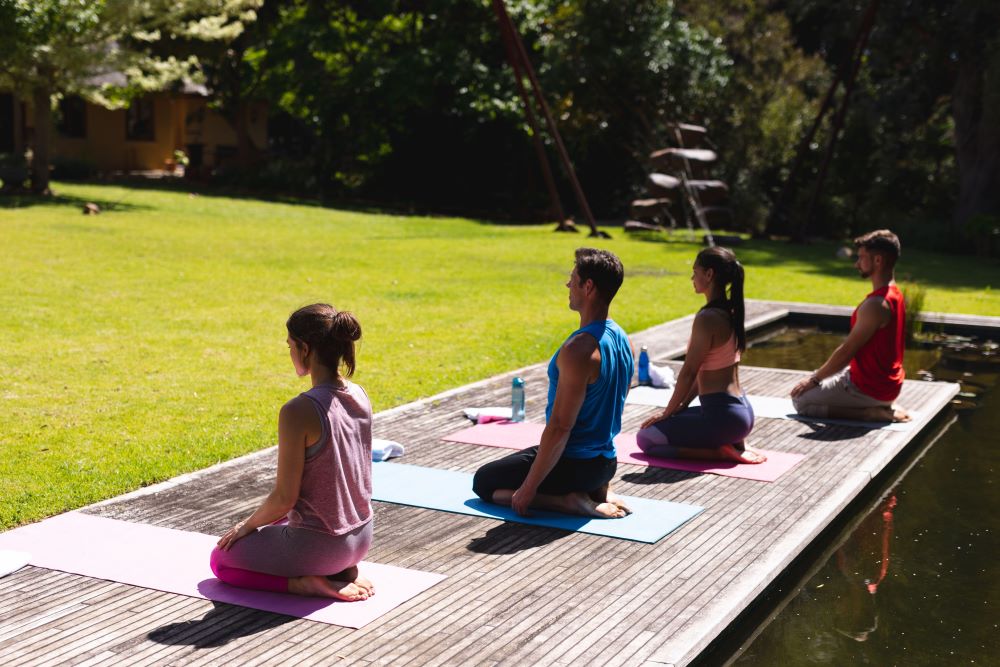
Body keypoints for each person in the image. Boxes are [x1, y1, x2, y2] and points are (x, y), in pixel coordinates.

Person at [210, 304, 375, 601]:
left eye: (289, 346)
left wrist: (245, 526)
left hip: (322, 548)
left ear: (304, 348)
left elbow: (284, 499)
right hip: (362, 539)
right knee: (274, 523)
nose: (289, 353)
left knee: (221, 561)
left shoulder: (298, 410)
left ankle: (306, 584)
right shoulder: (359, 394)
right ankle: (342, 571)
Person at [472, 248, 634, 518]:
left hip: (575, 467)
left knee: (485, 482)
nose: (568, 285)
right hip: (606, 464)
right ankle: (600, 489)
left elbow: (560, 427)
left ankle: (567, 501)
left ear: (588, 286)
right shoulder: (623, 339)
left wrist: (528, 489)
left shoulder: (580, 349)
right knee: (521, 461)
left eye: (573, 278)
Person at [637, 246, 765, 464]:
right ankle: (730, 442)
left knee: (647, 439)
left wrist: (666, 413)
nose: (692, 277)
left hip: (724, 418)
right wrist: (681, 407)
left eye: (695, 272)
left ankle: (719, 452)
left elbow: (688, 372)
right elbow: (702, 374)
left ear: (709, 274)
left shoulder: (707, 318)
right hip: (741, 414)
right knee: (671, 424)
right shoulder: (730, 311)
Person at [790, 230, 908, 422]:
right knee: (825, 375)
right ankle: (882, 404)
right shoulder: (895, 295)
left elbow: (847, 352)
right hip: (887, 385)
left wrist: (814, 379)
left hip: (869, 388)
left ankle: (869, 413)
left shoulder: (876, 304)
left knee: (801, 400)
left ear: (878, 260)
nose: (856, 263)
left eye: (861, 258)